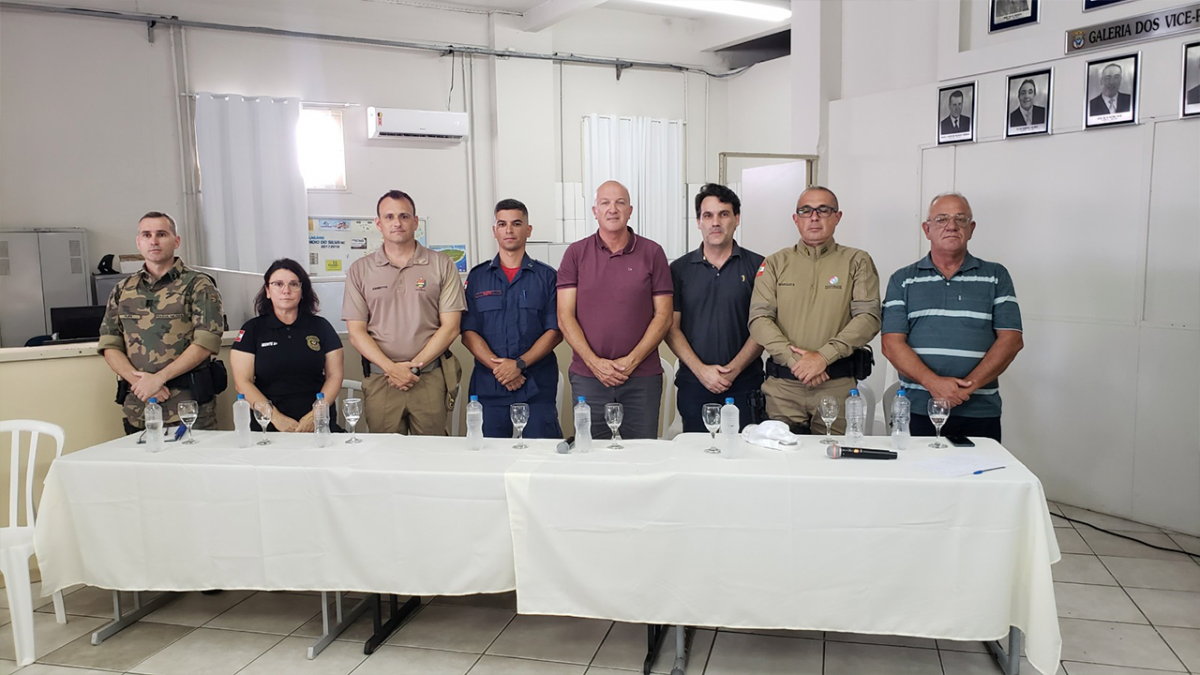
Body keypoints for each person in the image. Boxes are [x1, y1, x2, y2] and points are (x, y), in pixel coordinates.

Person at [880, 193, 1023, 442]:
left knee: (980, 469)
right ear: (927, 229)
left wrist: (967, 387)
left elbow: (1011, 340)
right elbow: (891, 344)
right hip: (919, 409)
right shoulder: (903, 280)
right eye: (941, 219)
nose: (951, 226)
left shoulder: (996, 276)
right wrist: (934, 384)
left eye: (960, 219)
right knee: (921, 469)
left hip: (980, 412)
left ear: (971, 228)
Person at [748, 187, 881, 434]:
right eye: (806, 211)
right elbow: (759, 319)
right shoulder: (775, 263)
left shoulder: (857, 261)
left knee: (833, 456)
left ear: (837, 217)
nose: (814, 217)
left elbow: (868, 317)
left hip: (835, 387)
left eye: (823, 210)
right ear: (795, 219)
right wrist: (796, 361)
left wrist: (823, 357)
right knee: (780, 455)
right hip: (783, 389)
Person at [557, 180, 673, 440]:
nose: (613, 209)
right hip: (589, 377)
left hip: (641, 378)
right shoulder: (575, 254)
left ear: (630, 210)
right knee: (591, 453)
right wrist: (595, 363)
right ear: (594, 211)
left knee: (641, 454)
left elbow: (664, 316)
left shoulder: (652, 252)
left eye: (620, 203)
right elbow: (565, 316)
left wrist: (631, 361)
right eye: (605, 203)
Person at [344, 190, 466, 435]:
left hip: (428, 378)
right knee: (384, 453)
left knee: (432, 452)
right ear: (378, 223)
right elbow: (356, 333)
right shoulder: (360, 270)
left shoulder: (441, 264)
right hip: (382, 380)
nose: (397, 223)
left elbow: (451, 326)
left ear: (415, 221)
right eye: (389, 217)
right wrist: (392, 369)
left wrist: (414, 368)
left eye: (404, 216)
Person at [98, 211, 224, 435]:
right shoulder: (123, 289)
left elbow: (206, 343)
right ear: (139, 242)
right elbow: (110, 344)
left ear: (176, 241)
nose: (153, 241)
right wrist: (142, 384)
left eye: (161, 234)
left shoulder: (198, 285)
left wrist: (159, 379)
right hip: (139, 407)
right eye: (146, 235)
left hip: (187, 409)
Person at [665, 184, 764, 432]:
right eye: (708, 215)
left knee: (744, 451)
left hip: (745, 384)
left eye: (724, 214)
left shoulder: (759, 267)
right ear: (699, 222)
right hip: (695, 384)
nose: (715, 222)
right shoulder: (678, 270)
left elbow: (765, 326)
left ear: (737, 219)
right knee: (699, 452)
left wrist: (733, 370)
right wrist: (701, 371)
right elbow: (671, 328)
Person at [462, 199, 563, 439]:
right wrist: (501, 369)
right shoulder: (478, 277)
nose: (509, 230)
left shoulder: (547, 277)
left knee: (540, 455)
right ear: (494, 230)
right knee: (488, 456)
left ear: (528, 230)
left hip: (536, 386)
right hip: (490, 387)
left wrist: (518, 365)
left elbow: (555, 331)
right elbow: (468, 332)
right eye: (502, 224)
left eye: (516, 224)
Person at [231, 258, 344, 432]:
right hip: (267, 423)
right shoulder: (252, 329)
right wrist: (275, 417)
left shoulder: (321, 326)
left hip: (317, 421)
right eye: (278, 284)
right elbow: (242, 382)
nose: (286, 290)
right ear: (268, 291)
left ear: (302, 291)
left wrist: (316, 415)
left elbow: (334, 375)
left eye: (294, 284)